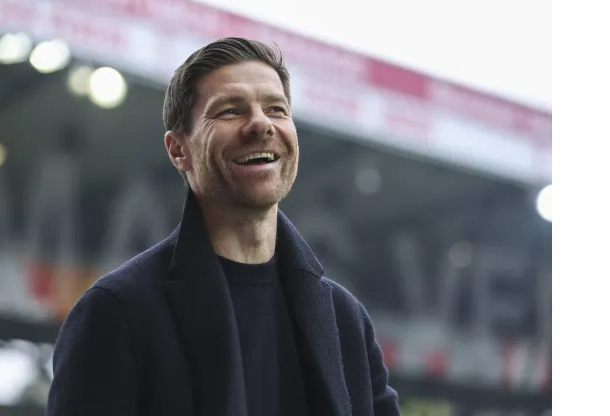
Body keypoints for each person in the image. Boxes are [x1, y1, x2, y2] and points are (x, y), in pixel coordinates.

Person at [46, 37, 400, 416]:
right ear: (177, 150)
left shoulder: (345, 320)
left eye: (276, 109)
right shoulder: (117, 311)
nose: (261, 124)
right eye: (230, 111)